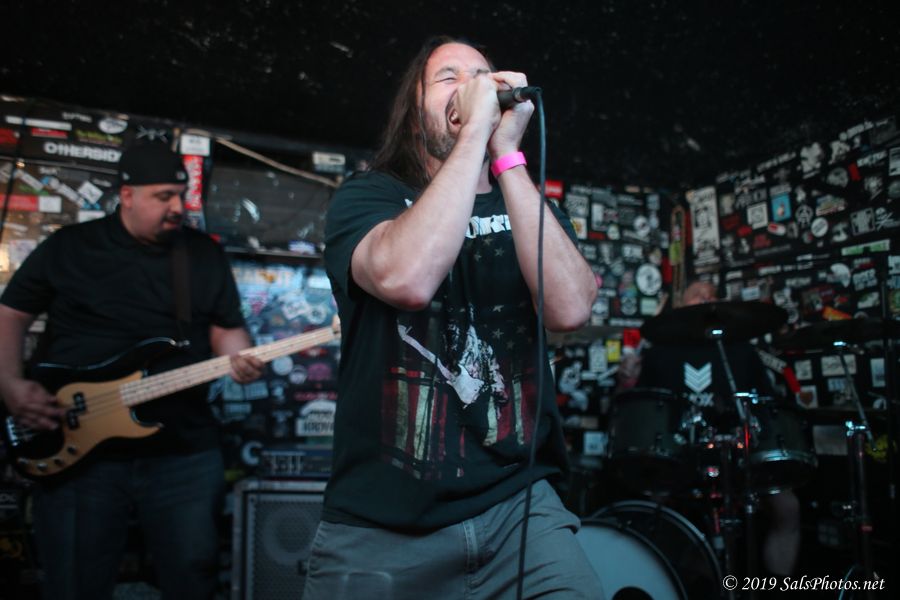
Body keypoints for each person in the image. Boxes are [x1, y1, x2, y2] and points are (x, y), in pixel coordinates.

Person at [303, 36, 602, 599]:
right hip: (383, 525)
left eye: (482, 74)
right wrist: (472, 136)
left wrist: (507, 156)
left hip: (519, 511)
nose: (472, 85)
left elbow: (570, 308)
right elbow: (407, 279)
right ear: (415, 111)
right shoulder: (368, 197)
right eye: (449, 77)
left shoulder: (527, 202)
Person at [0, 143, 264, 600]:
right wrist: (8, 383)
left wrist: (240, 360)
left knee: (192, 575)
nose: (178, 207)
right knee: (75, 580)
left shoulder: (200, 254)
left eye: (180, 195)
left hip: (181, 447)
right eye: (164, 196)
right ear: (127, 195)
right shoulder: (70, 246)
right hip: (79, 446)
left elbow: (227, 330)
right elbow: (10, 315)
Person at [620, 280, 802, 577]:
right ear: (680, 305)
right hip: (680, 454)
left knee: (787, 507)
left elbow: (765, 407)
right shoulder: (660, 353)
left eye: (710, 295)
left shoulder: (741, 352)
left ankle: (779, 590)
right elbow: (641, 414)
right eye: (697, 295)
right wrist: (626, 380)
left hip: (738, 454)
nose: (705, 299)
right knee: (652, 504)